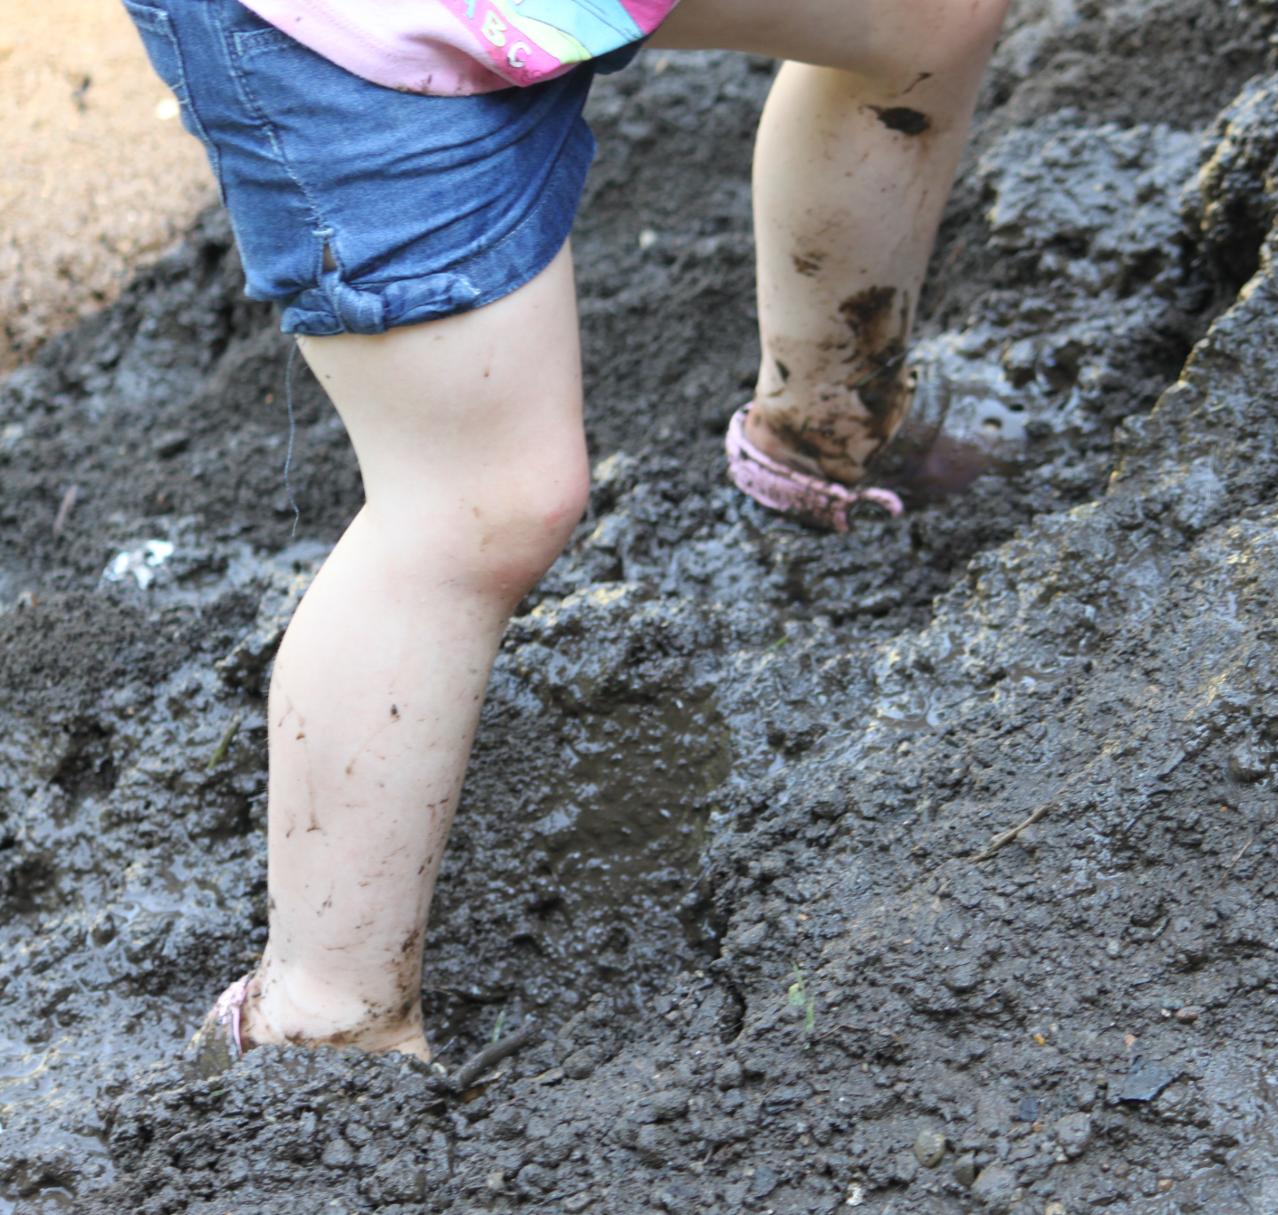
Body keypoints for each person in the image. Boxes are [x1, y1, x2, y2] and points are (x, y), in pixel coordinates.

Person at [121, 0, 1010, 1066]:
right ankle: (322, 1022)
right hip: (354, 28)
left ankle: (827, 426)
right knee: (481, 502)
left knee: (930, 19)